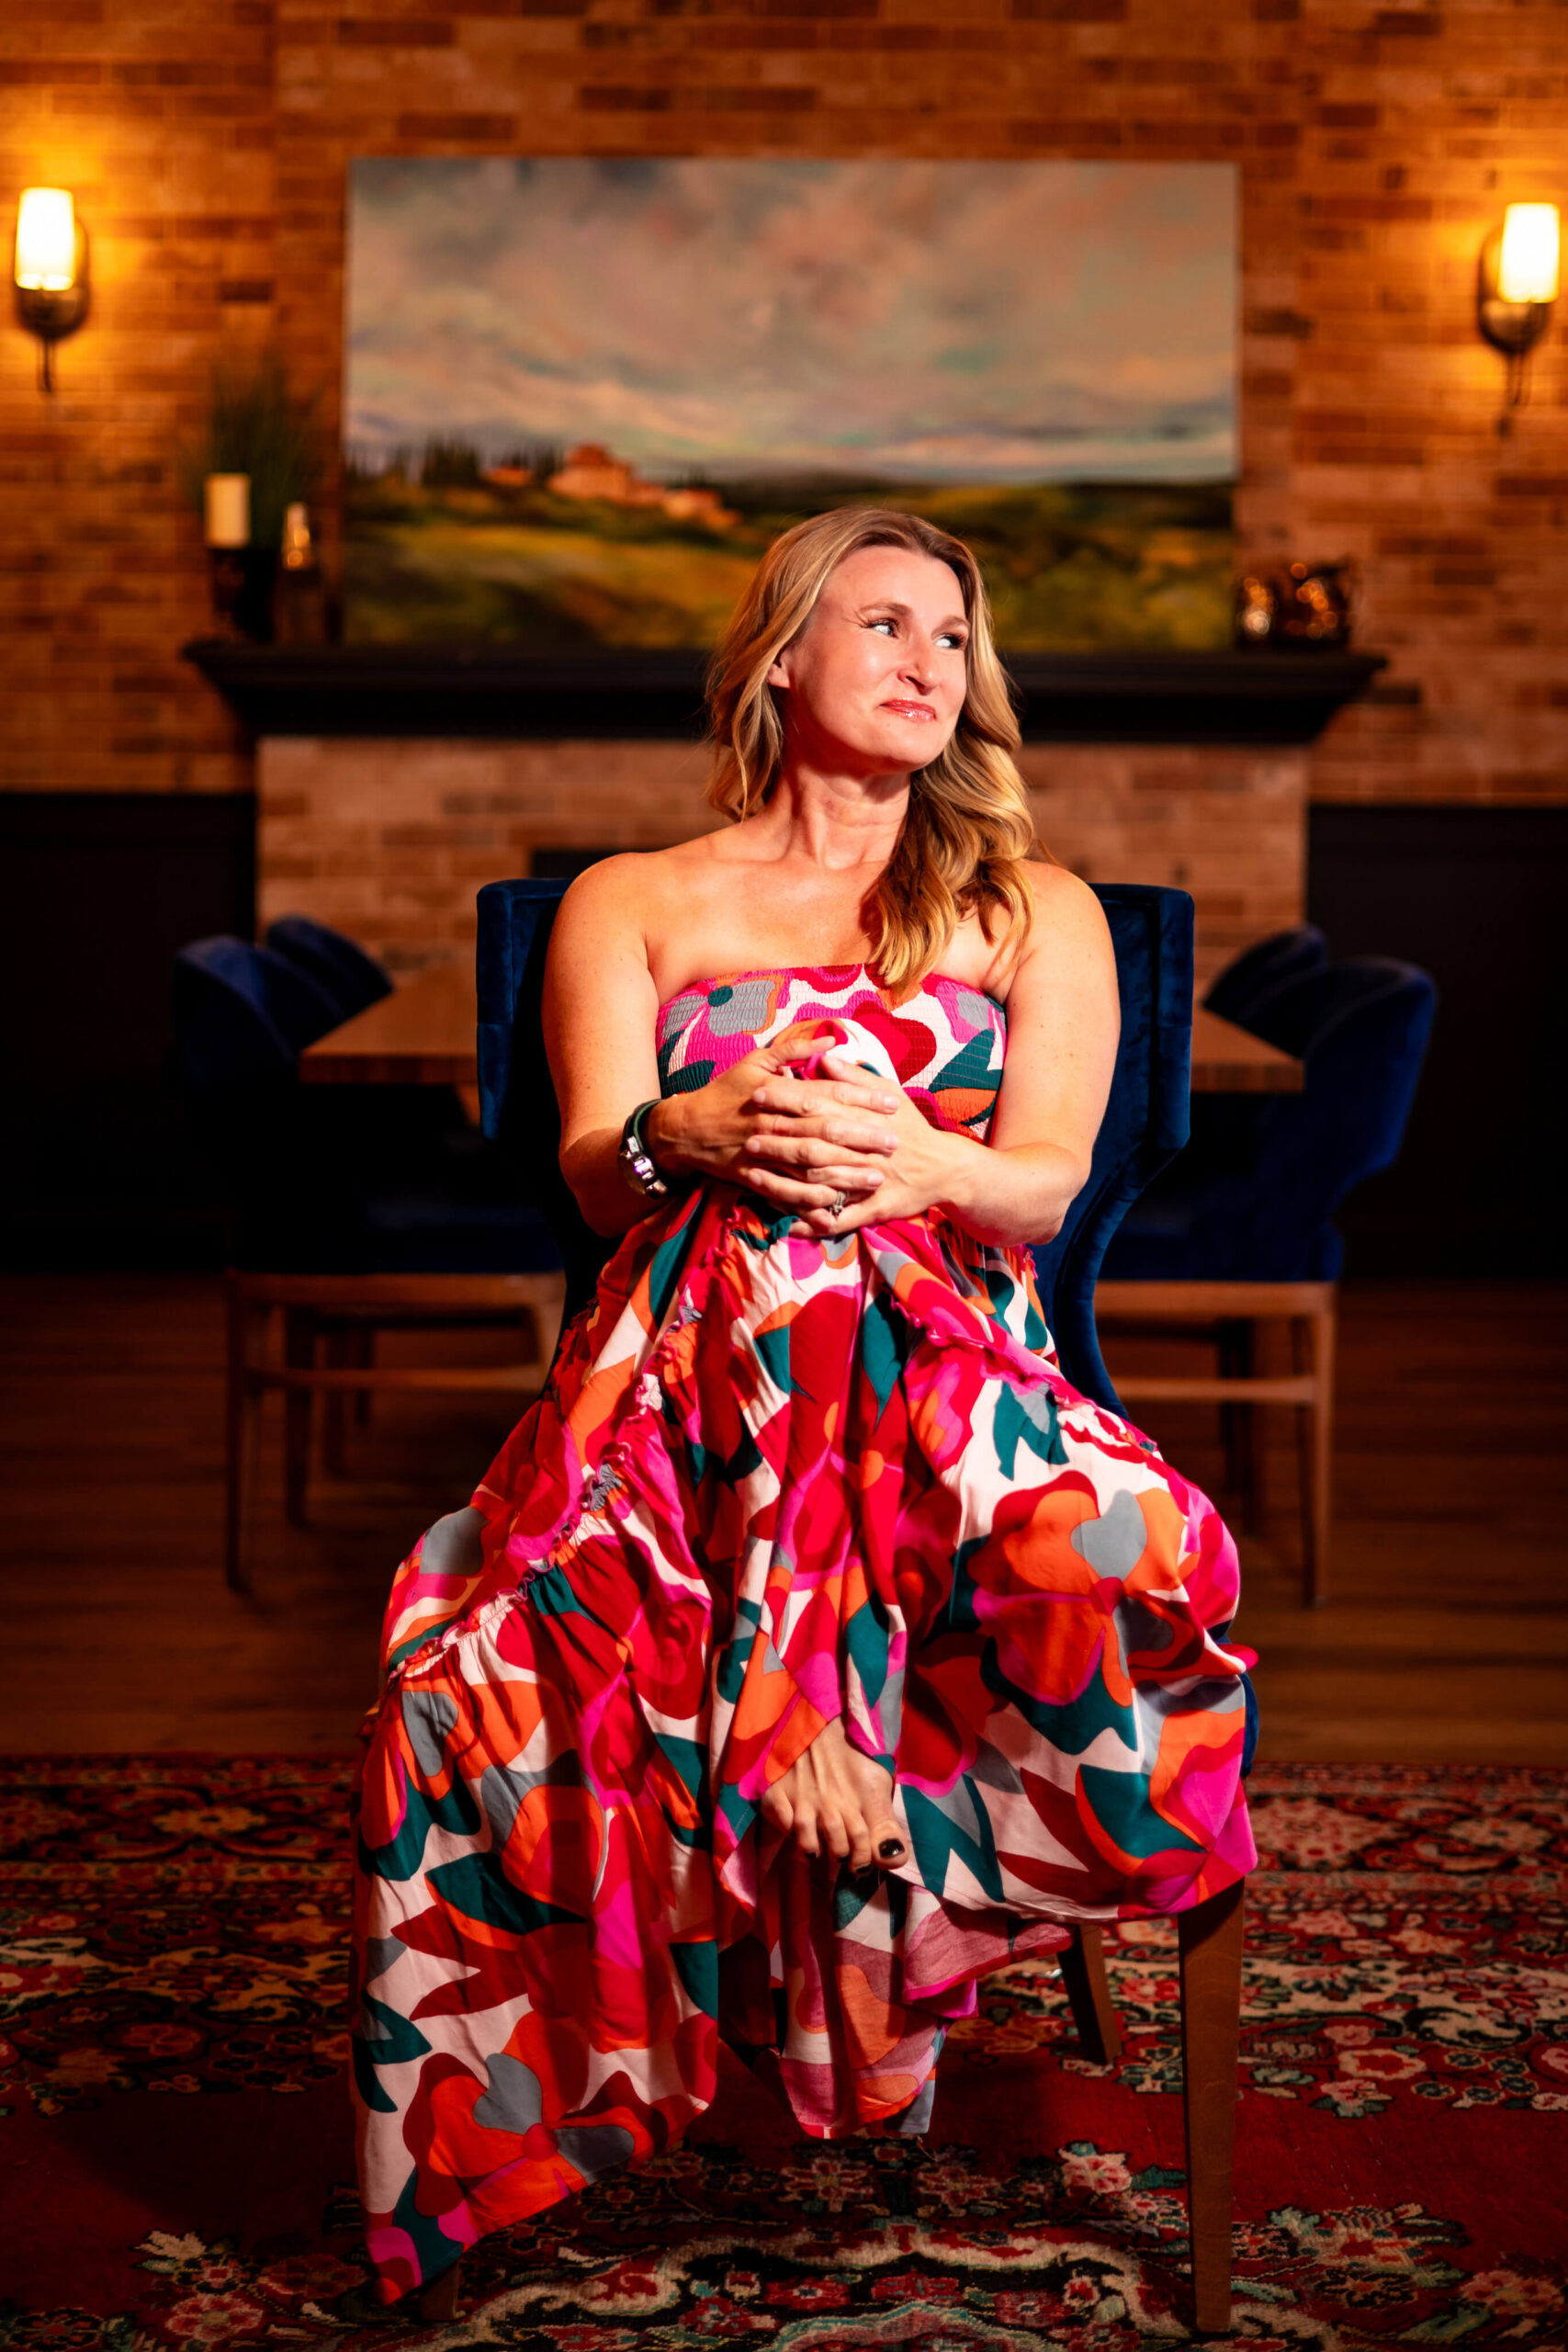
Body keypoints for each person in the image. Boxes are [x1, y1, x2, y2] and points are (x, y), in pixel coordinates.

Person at [351, 507, 1256, 2309]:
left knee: (1117, 1533)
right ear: (781, 658)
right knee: (766, 1251)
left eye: (953, 636)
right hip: (676, 1372)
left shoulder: (1033, 908)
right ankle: (812, 1730)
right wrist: (686, 1130)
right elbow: (598, 1175)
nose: (931, 662)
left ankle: (801, 1725)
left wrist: (916, 1159)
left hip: (955, 1362)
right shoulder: (633, 900)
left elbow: (1042, 1184)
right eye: (886, 625)